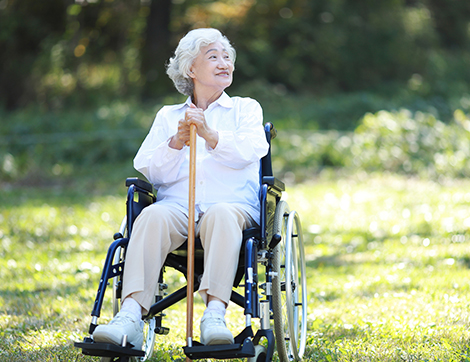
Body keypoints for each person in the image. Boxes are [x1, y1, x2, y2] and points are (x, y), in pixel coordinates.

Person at [93, 28, 269, 349]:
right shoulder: (168, 116)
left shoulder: (245, 109)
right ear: (191, 69)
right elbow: (148, 167)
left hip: (231, 206)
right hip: (179, 208)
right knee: (152, 217)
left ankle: (215, 314)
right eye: (213, 56)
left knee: (220, 214)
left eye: (227, 56)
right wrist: (175, 142)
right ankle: (130, 315)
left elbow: (253, 149)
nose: (224, 62)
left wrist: (210, 135)